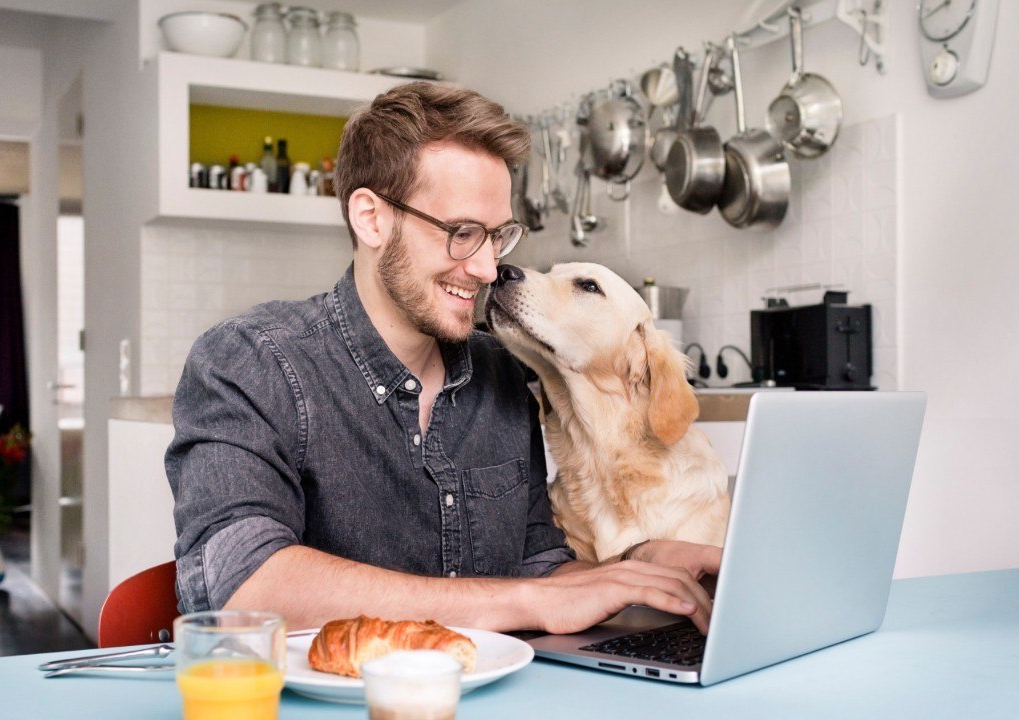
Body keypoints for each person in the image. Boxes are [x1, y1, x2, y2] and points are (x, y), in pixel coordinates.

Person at [166, 82, 721, 635]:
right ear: (372, 218)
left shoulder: (502, 373)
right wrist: (524, 602)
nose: (485, 269)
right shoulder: (248, 362)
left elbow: (538, 564)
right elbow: (244, 586)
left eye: (497, 236)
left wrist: (634, 566)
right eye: (461, 233)